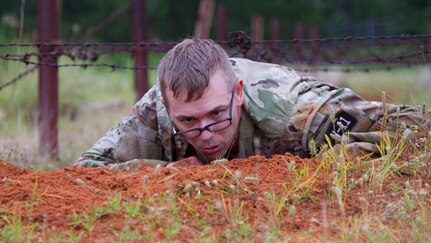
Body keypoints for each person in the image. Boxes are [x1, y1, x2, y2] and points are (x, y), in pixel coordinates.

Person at [74, 38, 425, 171]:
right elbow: (84, 171)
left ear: (238, 93)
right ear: (169, 107)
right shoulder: (156, 110)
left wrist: (330, 161)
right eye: (189, 121)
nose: (206, 134)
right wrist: (164, 173)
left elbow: (414, 127)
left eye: (216, 114)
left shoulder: (295, 110)